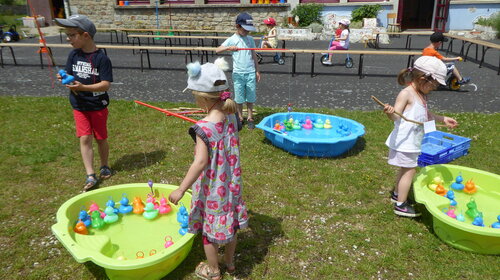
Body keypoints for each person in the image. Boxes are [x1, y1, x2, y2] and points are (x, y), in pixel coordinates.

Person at [169, 58, 248, 280]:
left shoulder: (202, 128)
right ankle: (229, 263)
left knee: (209, 232)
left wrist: (181, 189)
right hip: (231, 185)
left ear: (203, 98)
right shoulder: (232, 115)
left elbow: (200, 162)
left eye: (195, 97)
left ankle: (214, 272)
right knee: (230, 224)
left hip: (213, 189)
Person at [383, 56, 458, 217]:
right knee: (410, 171)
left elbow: (425, 113)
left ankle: (397, 195)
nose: (435, 88)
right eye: (434, 84)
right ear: (423, 78)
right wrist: (390, 113)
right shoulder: (406, 94)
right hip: (405, 141)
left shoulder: (421, 94)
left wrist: (442, 119)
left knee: (406, 169)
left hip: (413, 141)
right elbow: (397, 116)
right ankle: (401, 205)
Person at [55, 15, 113, 191]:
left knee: (101, 138)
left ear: (85, 35)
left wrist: (83, 87)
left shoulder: (102, 59)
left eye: (72, 35)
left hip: (97, 105)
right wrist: (63, 77)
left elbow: (105, 84)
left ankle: (104, 165)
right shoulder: (73, 55)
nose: (68, 39)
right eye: (67, 35)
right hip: (79, 105)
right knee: (85, 137)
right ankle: (90, 174)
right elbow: (68, 73)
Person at [216, 12, 261, 130]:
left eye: (249, 30)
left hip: (250, 72)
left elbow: (254, 55)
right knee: (239, 97)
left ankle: (250, 117)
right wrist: (228, 48)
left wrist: (257, 70)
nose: (247, 32)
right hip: (238, 73)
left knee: (251, 96)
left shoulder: (250, 39)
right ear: (237, 26)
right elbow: (218, 50)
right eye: (245, 29)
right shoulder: (232, 39)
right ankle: (240, 117)